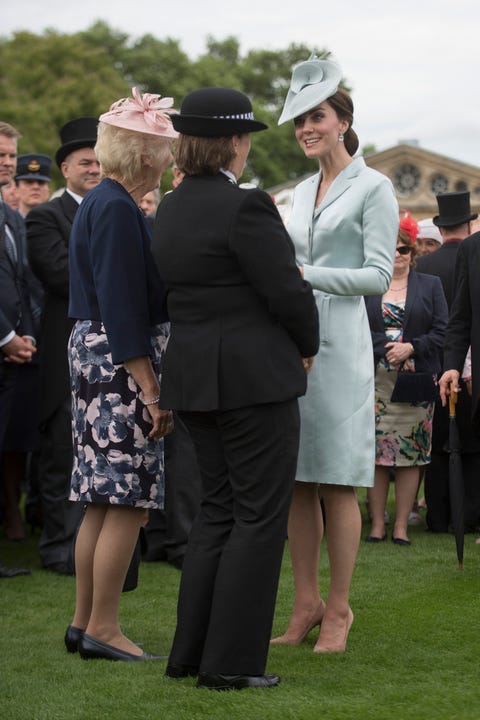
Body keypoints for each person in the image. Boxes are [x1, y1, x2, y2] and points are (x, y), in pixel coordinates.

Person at [153, 87, 319, 690]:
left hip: (194, 378)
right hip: (252, 379)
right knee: (257, 518)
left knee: (217, 513)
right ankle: (231, 664)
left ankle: (191, 655)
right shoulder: (244, 207)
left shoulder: (169, 208)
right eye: (246, 136)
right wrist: (307, 343)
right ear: (232, 142)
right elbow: (286, 290)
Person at [271, 55, 398, 653]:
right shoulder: (297, 190)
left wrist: (304, 274)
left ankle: (340, 609)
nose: (305, 129)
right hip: (294, 345)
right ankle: (305, 606)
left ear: (343, 120)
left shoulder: (376, 187)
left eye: (316, 116)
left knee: (337, 482)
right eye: (299, 120)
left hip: (343, 347)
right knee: (297, 479)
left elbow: (376, 275)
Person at [65, 87, 177, 662]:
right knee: (126, 498)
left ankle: (85, 621)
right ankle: (103, 627)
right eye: (164, 148)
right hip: (120, 362)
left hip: (100, 355)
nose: (171, 157)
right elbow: (122, 304)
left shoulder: (102, 201)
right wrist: (153, 390)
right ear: (148, 156)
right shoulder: (114, 207)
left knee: (102, 499)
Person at [26, 118, 100, 573]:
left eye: (99, 162)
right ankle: (58, 546)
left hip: (108, 349)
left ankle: (92, 548)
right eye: (85, 163)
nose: (94, 169)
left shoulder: (115, 208)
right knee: (61, 451)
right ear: (66, 169)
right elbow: (58, 273)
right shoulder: (45, 217)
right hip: (64, 347)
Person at [364, 215, 448, 544]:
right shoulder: (368, 285)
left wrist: (412, 348)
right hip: (375, 382)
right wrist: (388, 350)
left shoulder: (430, 285)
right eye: (390, 248)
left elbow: (442, 330)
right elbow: (357, 329)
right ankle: (376, 525)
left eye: (402, 248)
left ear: (412, 251)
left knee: (412, 453)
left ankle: (400, 525)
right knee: (376, 454)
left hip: (415, 382)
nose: (396, 254)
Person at [416, 192, 480, 532]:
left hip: (435, 365)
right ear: (469, 224)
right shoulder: (473, 254)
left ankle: (439, 516)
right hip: (464, 365)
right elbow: (462, 318)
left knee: (440, 445)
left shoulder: (424, 265)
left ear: (441, 229)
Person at [0, 120, 35, 576]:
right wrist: (5, 337)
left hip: (17, 353)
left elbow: (23, 283)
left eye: (10, 154)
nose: (7, 162)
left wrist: (28, 334)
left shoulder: (10, 216)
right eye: (1, 156)